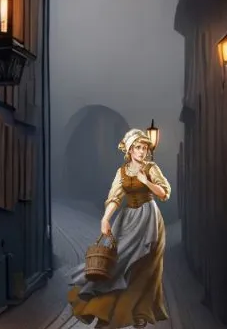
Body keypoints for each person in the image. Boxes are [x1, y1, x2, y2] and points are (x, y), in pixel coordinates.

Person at [68, 128, 171, 327]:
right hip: (127, 219)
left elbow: (165, 193)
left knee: (143, 265)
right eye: (137, 147)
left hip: (149, 218)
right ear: (130, 150)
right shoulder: (121, 172)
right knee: (117, 262)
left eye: (144, 148)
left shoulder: (151, 168)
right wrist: (105, 219)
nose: (141, 151)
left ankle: (139, 312)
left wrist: (146, 182)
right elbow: (115, 197)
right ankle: (105, 311)